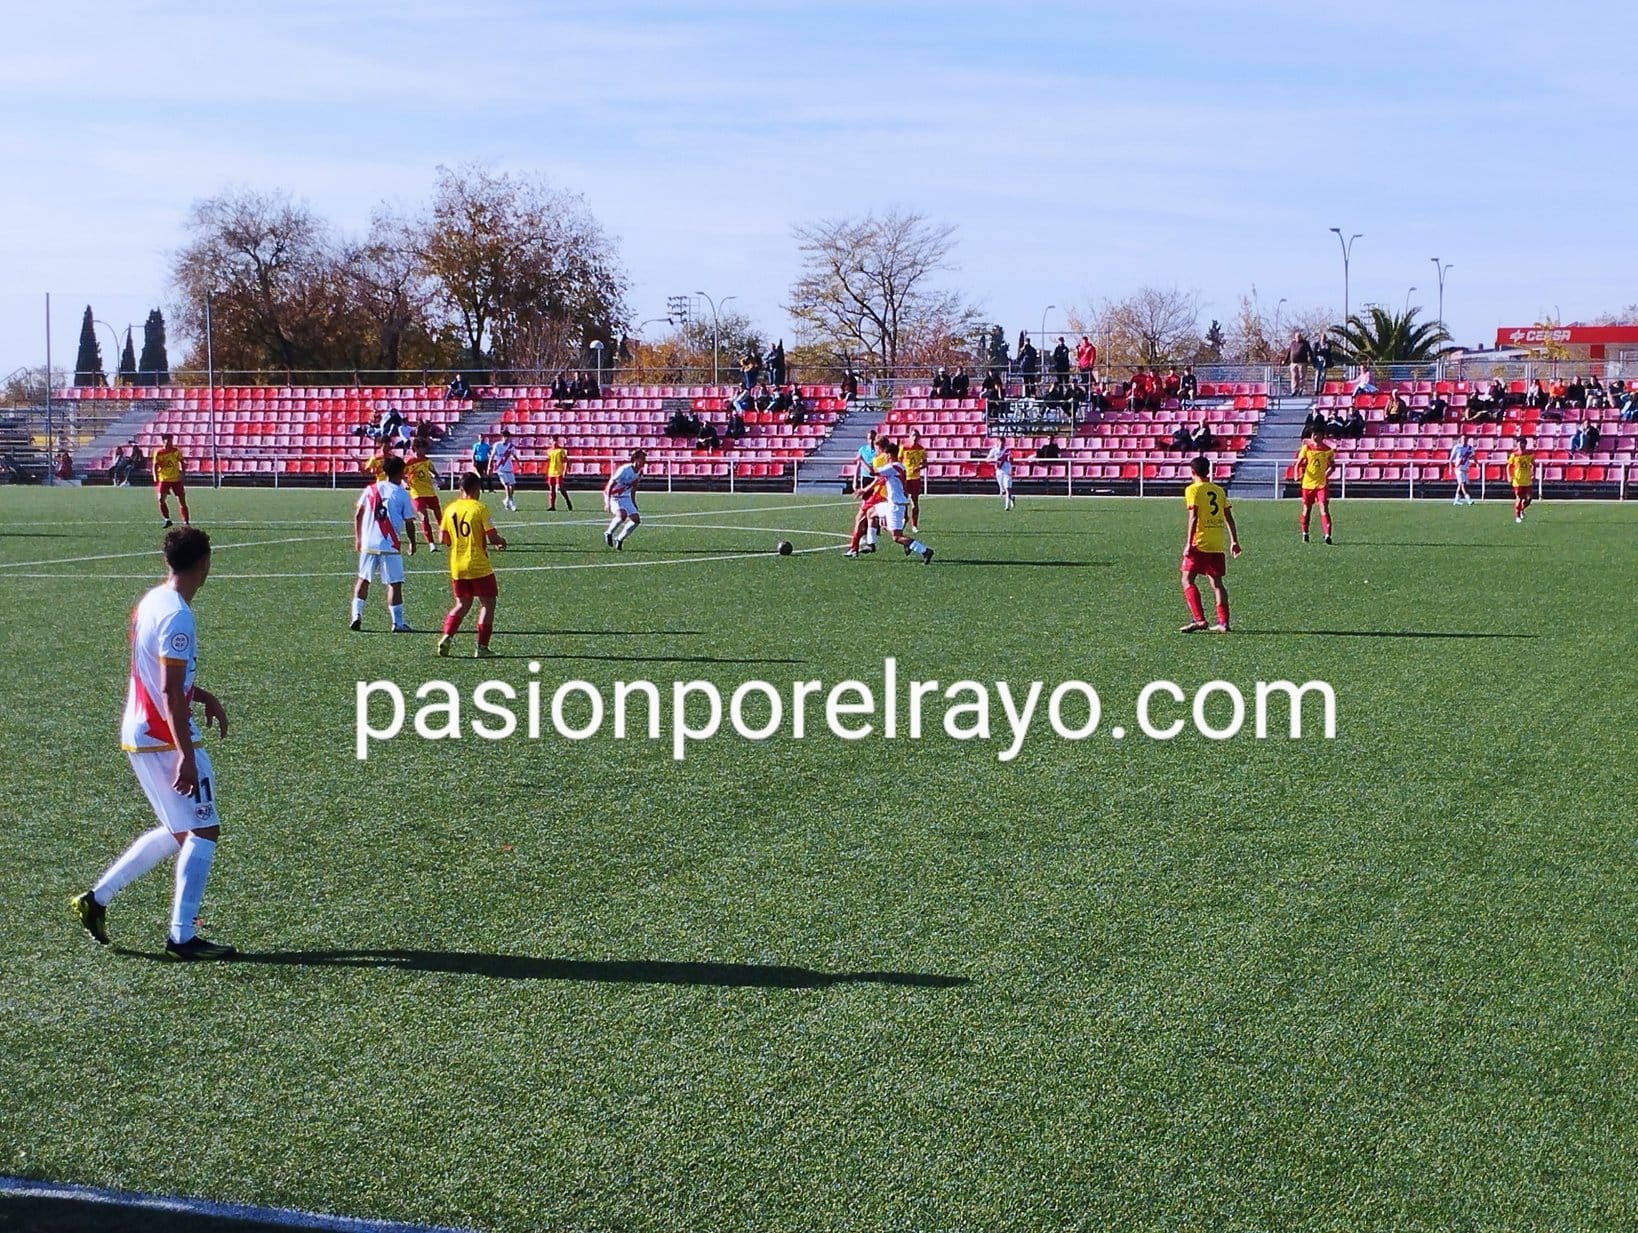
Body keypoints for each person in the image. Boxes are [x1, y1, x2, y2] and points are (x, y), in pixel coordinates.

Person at [71, 527, 234, 960]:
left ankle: (96, 899)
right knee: (203, 829)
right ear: (205, 563)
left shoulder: (153, 600)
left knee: (180, 830)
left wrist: (201, 694)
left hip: (141, 729)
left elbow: (156, 672)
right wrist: (185, 755)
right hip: (163, 735)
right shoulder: (178, 615)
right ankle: (182, 937)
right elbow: (168, 690)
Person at [438, 471, 507, 658]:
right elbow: (493, 537)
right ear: (477, 489)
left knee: (462, 603)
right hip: (478, 565)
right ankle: (482, 647)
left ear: (460, 488)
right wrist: (501, 541)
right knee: (488, 603)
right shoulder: (480, 508)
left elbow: (443, 538)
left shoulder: (450, 508)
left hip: (457, 565)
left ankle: (447, 636)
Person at [349, 454, 416, 633]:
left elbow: (358, 514)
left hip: (369, 543)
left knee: (363, 579)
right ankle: (397, 623)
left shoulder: (371, 489)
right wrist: (412, 542)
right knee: (395, 583)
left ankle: (356, 615)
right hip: (390, 544)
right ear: (400, 472)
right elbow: (409, 522)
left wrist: (358, 538)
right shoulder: (402, 494)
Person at [1179, 456, 1242, 634]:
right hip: (1216, 542)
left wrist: (1188, 543)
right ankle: (1223, 622)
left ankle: (1199, 619)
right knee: (1217, 583)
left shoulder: (1193, 489)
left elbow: (1193, 517)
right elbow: (1228, 516)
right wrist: (1234, 540)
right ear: (1209, 471)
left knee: (1187, 579)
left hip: (1199, 542)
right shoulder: (1219, 490)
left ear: (1192, 472)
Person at [848, 441, 933, 563]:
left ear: (889, 455)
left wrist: (861, 460)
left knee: (897, 537)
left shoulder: (892, 467)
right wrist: (865, 490)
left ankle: (924, 550)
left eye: (885, 455)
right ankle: (871, 544)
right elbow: (880, 480)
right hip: (891, 503)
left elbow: (872, 473)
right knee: (871, 512)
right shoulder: (899, 466)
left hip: (895, 506)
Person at [1293, 430, 1336, 544]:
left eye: (1316, 434)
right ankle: (1305, 533)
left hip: (1321, 484)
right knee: (1307, 509)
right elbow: (1298, 463)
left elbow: (1333, 467)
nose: (1314, 437)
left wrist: (1325, 475)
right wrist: (1296, 474)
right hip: (1307, 484)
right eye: (1313, 435)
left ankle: (1327, 535)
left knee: (1324, 507)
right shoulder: (1307, 448)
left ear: (1322, 436)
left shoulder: (1328, 450)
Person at [602, 449, 647, 550]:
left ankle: (619, 539)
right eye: (642, 459)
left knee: (636, 520)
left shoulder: (639, 472)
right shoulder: (624, 469)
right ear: (635, 459)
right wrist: (607, 503)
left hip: (625, 497)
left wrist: (633, 502)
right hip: (613, 496)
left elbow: (634, 488)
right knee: (622, 515)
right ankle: (608, 533)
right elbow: (610, 484)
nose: (644, 461)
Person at [403, 442, 442, 551]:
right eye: (422, 448)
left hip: (429, 492)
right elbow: (401, 475)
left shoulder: (426, 460)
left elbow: (433, 471)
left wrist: (437, 478)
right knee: (424, 518)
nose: (425, 450)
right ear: (416, 448)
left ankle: (445, 535)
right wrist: (404, 483)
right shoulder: (408, 462)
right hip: (417, 493)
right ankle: (431, 543)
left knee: (439, 515)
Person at [153, 433, 190, 528]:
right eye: (168, 440)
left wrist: (183, 473)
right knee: (161, 499)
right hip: (164, 479)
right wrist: (155, 476)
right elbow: (155, 465)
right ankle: (167, 519)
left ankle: (186, 522)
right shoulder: (159, 453)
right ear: (163, 441)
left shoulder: (176, 451)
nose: (170, 442)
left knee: (182, 501)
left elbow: (182, 462)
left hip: (176, 479)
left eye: (171, 440)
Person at [900, 430, 927, 532]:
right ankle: (904, 517)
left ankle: (914, 525)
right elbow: (898, 461)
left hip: (915, 478)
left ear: (919, 437)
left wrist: (919, 468)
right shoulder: (903, 448)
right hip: (905, 478)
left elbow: (925, 463)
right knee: (903, 500)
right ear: (909, 437)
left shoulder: (921, 449)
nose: (915, 437)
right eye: (913, 435)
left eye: (916, 436)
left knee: (914, 502)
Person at [1506, 436, 1536, 523]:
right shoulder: (1514, 455)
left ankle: (1522, 509)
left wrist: (1533, 473)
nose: (1520, 445)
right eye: (1518, 443)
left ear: (1525, 444)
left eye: (1522, 443)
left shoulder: (1529, 454)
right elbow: (1508, 466)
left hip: (1527, 480)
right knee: (1519, 497)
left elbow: (1534, 465)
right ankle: (1517, 516)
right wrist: (1509, 476)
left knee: (1529, 498)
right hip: (1518, 480)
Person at [489, 428, 519, 511]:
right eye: (505, 436)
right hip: (500, 469)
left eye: (507, 437)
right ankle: (511, 502)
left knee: (512, 486)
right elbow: (492, 456)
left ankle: (507, 500)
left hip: (509, 468)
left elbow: (514, 456)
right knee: (507, 485)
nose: (506, 438)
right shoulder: (497, 445)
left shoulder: (511, 446)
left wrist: (519, 465)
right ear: (502, 437)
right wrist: (489, 466)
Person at [985, 438, 1015, 510]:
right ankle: (1011, 498)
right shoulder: (994, 450)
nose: (1002, 445)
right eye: (1001, 443)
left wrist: (1009, 459)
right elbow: (987, 460)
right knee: (1003, 490)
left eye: (1003, 443)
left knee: (1007, 488)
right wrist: (995, 460)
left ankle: (1007, 506)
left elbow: (1012, 460)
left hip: (1007, 471)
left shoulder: (1007, 451)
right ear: (998, 442)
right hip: (999, 471)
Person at [544, 436, 572, 511]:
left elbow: (566, 461)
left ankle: (567, 500)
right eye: (553, 440)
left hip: (558, 472)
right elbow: (548, 462)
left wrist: (565, 471)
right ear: (550, 441)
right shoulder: (549, 451)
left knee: (561, 488)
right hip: (551, 472)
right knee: (552, 489)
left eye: (555, 440)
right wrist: (546, 472)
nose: (554, 442)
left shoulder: (560, 450)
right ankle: (552, 506)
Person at [1448, 435, 1476, 505]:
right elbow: (1451, 459)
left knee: (1460, 484)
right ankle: (1468, 499)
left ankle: (1456, 500)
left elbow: (1474, 456)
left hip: (1465, 469)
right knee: (1463, 484)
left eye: (1465, 439)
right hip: (1458, 469)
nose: (1464, 440)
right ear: (1460, 439)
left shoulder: (1470, 448)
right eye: (1463, 439)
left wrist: (1477, 463)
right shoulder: (1457, 447)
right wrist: (1450, 468)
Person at [1285, 331, 1312, 396]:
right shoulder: (1292, 343)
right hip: (1293, 363)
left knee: (1301, 377)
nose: (1298, 338)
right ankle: (1294, 390)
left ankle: (1300, 390)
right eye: (1296, 336)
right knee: (1294, 377)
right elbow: (1289, 352)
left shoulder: (1305, 343)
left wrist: (1312, 360)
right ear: (1295, 337)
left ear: (1301, 337)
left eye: (1299, 336)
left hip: (1302, 363)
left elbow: (1310, 352)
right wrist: (1285, 361)